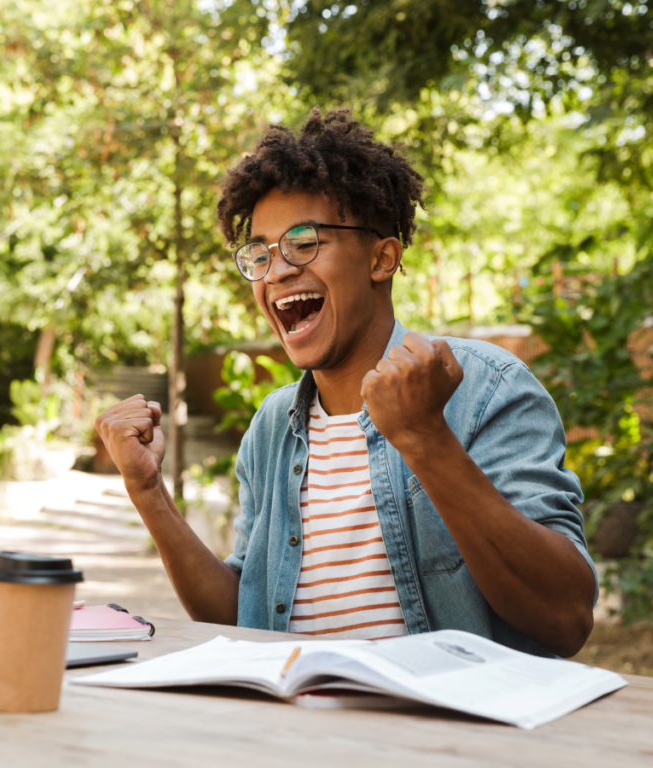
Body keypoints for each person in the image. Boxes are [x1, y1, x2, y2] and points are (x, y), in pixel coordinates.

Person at [94, 107, 595, 658]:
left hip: (446, 737)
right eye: (260, 253)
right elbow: (242, 614)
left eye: (304, 242)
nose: (277, 270)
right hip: (300, 734)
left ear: (383, 258)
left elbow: (564, 618)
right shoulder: (271, 428)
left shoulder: (485, 387)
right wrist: (148, 493)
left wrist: (425, 438)